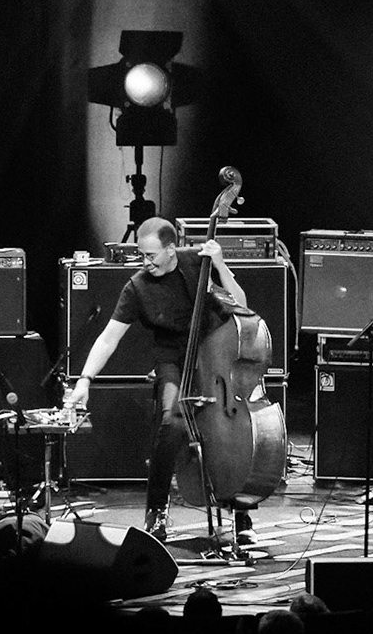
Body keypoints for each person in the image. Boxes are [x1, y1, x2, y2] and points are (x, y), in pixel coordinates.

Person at [63, 218, 256, 545]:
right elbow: (109, 338)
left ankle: (241, 512)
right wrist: (85, 379)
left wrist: (221, 265)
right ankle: (157, 512)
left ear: (171, 249)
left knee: (232, 434)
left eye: (152, 255)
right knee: (172, 423)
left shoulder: (200, 260)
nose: (146, 261)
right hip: (171, 359)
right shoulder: (137, 286)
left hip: (214, 353)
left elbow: (242, 306)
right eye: (142, 254)